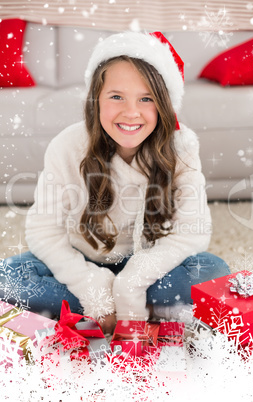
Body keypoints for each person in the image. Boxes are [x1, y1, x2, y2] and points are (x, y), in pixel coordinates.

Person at [1, 31, 230, 334]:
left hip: (148, 268)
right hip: (80, 261)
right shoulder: (67, 146)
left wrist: (130, 285)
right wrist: (95, 291)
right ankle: (134, 310)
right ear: (96, 100)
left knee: (213, 273)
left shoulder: (181, 148)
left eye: (146, 98)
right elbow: (43, 230)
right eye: (116, 96)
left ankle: (103, 308)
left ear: (163, 104)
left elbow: (191, 233)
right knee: (8, 277)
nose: (131, 112)